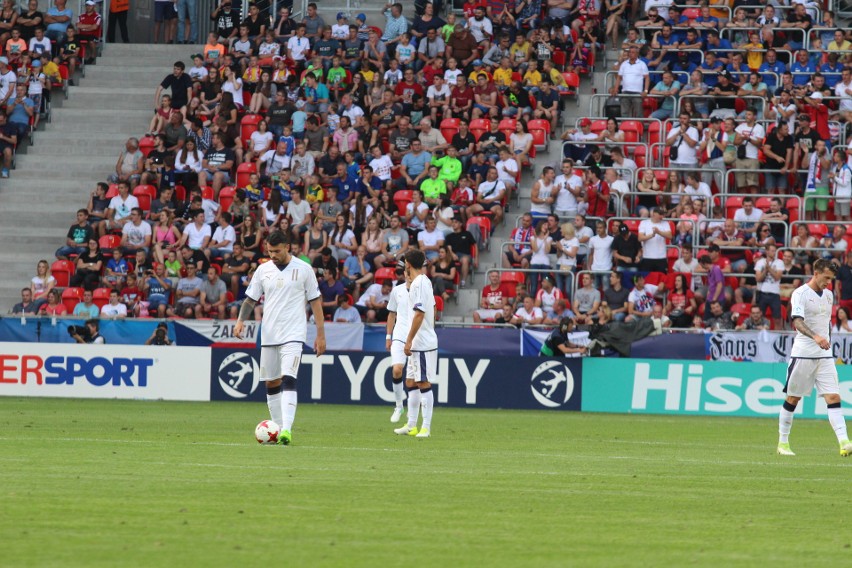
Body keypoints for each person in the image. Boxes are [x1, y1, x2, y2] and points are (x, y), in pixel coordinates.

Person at [233, 230, 325, 446]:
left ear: (287, 247)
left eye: (276, 251)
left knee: (289, 378)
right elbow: (250, 300)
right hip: (269, 334)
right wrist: (240, 321)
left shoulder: (304, 269)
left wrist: (321, 335)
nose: (272, 255)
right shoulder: (263, 270)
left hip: (293, 334)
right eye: (269, 251)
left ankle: (287, 430)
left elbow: (315, 301)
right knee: (271, 383)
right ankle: (276, 427)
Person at [778, 259, 852, 457]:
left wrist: (825, 338)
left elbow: (825, 322)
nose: (829, 282)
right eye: (826, 277)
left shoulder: (828, 295)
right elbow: (797, 322)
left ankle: (844, 442)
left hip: (824, 355)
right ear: (816, 273)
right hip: (804, 353)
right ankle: (783, 443)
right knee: (793, 398)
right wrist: (816, 337)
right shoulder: (800, 294)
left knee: (834, 397)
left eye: (832, 279)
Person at [395, 249, 437, 438]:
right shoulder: (422, 281)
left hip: (421, 342)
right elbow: (433, 309)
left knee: (422, 382)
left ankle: (426, 427)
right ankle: (411, 425)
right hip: (421, 339)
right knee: (411, 381)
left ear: (408, 265)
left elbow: (420, 313)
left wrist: (409, 339)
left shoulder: (419, 283)